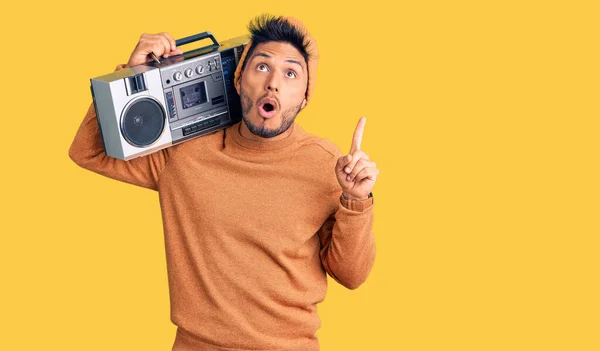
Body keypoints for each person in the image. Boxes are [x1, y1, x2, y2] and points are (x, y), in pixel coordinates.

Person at [69, 14, 379, 351]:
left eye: (291, 73)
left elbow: (352, 275)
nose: (273, 82)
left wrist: (356, 201)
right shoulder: (184, 153)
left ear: (305, 96)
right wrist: (129, 78)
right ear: (237, 79)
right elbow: (88, 152)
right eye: (262, 66)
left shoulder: (327, 164)